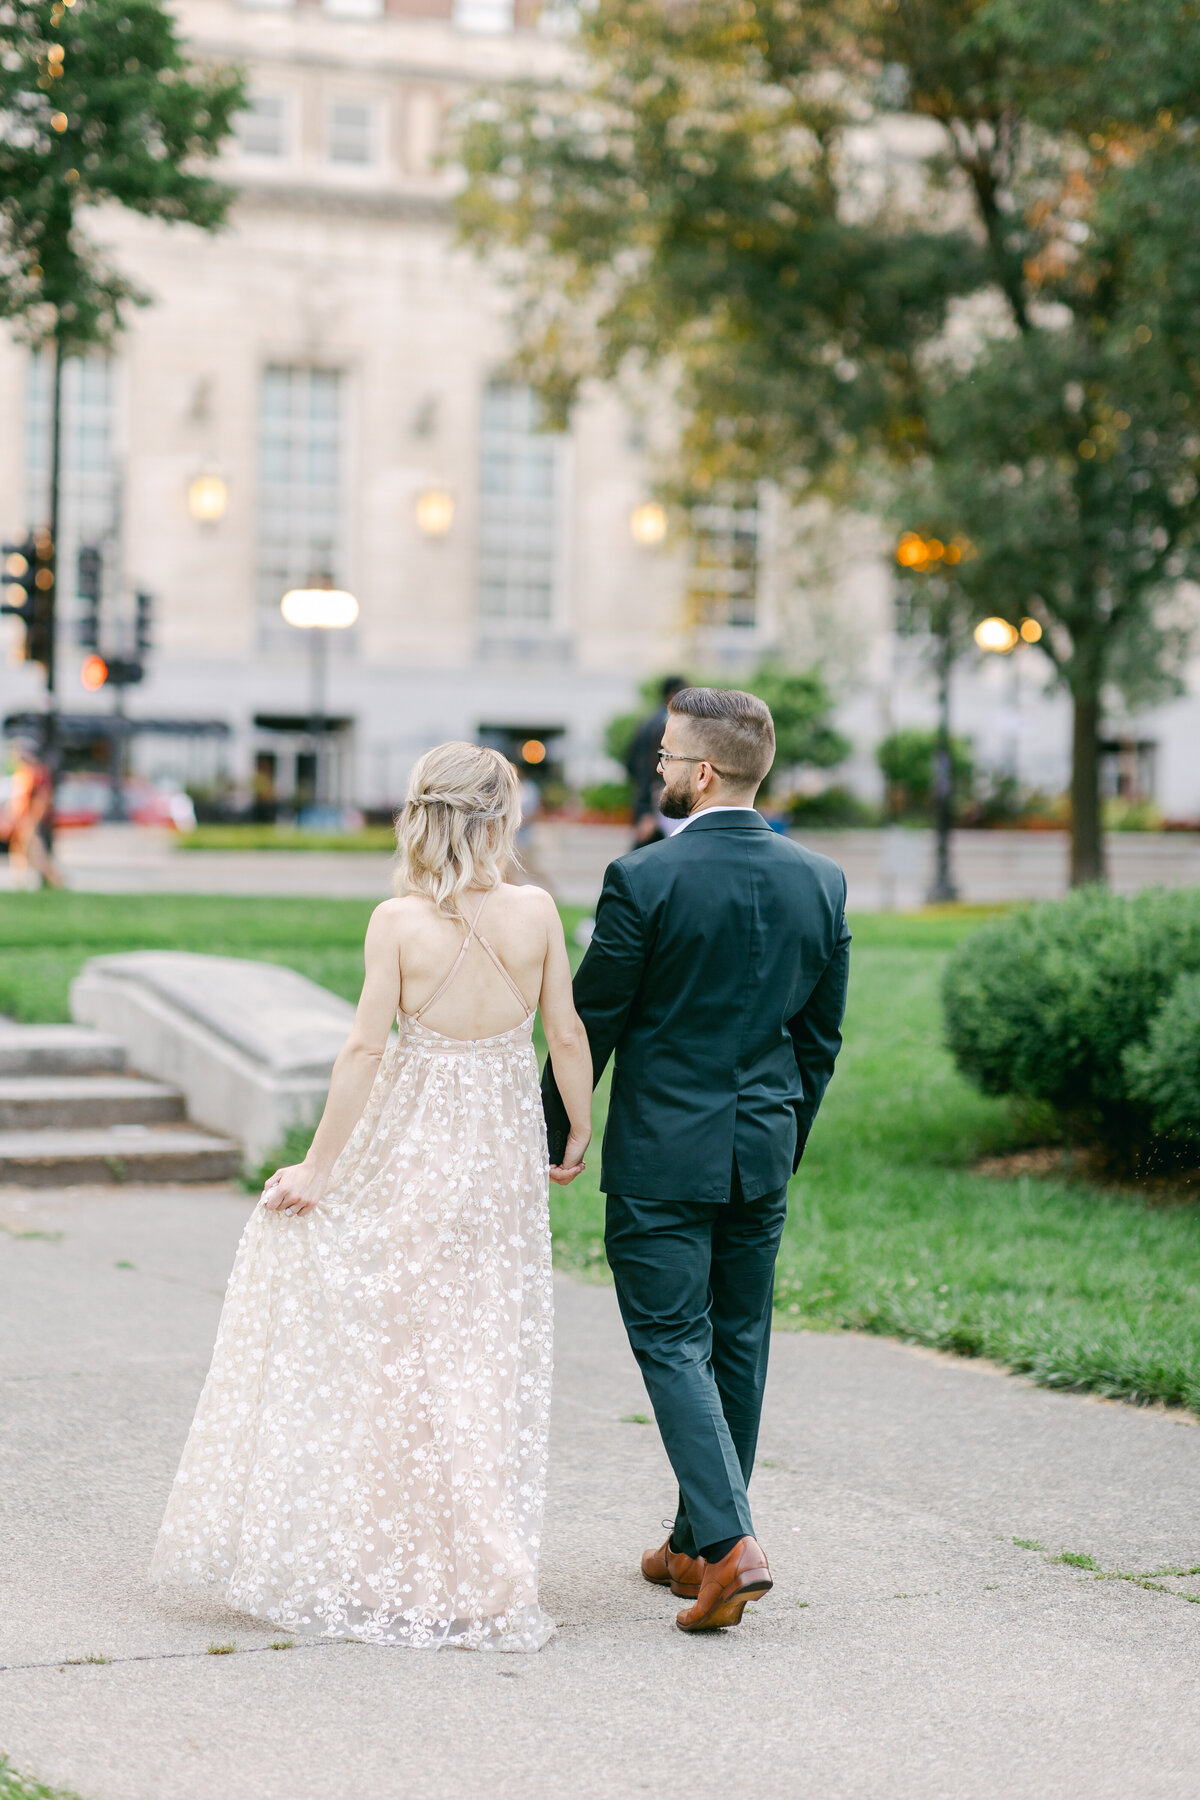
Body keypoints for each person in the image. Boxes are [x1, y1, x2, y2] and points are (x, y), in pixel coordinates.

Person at [151, 743, 593, 1650]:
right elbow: (567, 1030)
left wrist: (319, 1168)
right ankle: (479, 1563)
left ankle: (392, 1556)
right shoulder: (538, 911)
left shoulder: (396, 922)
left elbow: (363, 1052)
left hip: (416, 1160)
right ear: (501, 818)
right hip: (502, 1172)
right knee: (480, 1353)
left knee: (405, 1355)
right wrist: (578, 1126)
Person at [543, 687, 850, 1633]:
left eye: (669, 758)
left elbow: (592, 1022)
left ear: (703, 771)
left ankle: (729, 1548)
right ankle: (691, 1543)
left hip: (662, 1157)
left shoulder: (644, 880)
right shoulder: (821, 880)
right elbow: (819, 1039)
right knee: (739, 1342)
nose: (661, 771)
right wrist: (783, 1140)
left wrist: (550, 1132)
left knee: (672, 1339)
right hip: (761, 1151)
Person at [625, 673, 687, 845]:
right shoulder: (668, 723)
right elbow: (649, 768)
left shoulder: (646, 722)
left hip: (646, 799)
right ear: (674, 694)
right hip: (660, 801)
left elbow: (631, 765)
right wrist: (649, 811)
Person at [7, 744, 63, 889]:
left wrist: (33, 819)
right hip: (21, 818)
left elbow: (42, 799)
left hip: (29, 819)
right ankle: (19, 881)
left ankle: (55, 880)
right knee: (19, 849)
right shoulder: (23, 773)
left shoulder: (36, 773)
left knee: (36, 852)